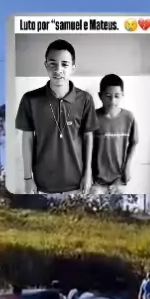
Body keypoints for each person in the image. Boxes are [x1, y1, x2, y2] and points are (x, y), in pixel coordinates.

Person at [15, 39, 99, 196]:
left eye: (64, 64)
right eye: (52, 64)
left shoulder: (85, 99)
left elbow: (89, 137)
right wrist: (27, 178)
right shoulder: (30, 99)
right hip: (41, 185)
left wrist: (88, 173)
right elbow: (27, 139)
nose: (58, 70)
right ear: (46, 65)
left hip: (77, 185)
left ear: (73, 68)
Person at [91, 74, 138, 198]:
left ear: (122, 95)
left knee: (119, 206)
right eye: (108, 96)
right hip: (96, 180)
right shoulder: (93, 118)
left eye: (117, 96)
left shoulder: (129, 117)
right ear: (100, 96)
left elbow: (134, 142)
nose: (112, 101)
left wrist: (127, 167)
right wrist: (87, 173)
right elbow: (85, 147)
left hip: (119, 179)